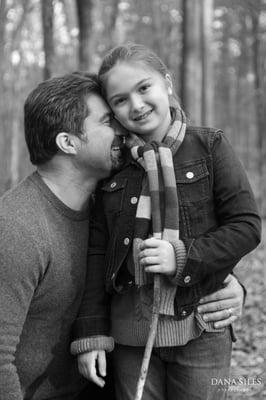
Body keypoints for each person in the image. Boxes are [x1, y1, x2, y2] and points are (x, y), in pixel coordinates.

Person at [71, 43, 261, 400]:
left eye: (144, 88)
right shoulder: (112, 171)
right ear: (112, 110)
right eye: (120, 100)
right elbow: (97, 254)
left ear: (167, 83)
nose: (137, 105)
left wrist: (183, 256)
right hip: (130, 337)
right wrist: (90, 332)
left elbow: (246, 226)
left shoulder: (209, 147)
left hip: (201, 330)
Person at [0, 73, 120, 399]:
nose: (121, 129)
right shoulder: (16, 227)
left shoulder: (111, 210)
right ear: (68, 142)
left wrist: (225, 284)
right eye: (107, 121)